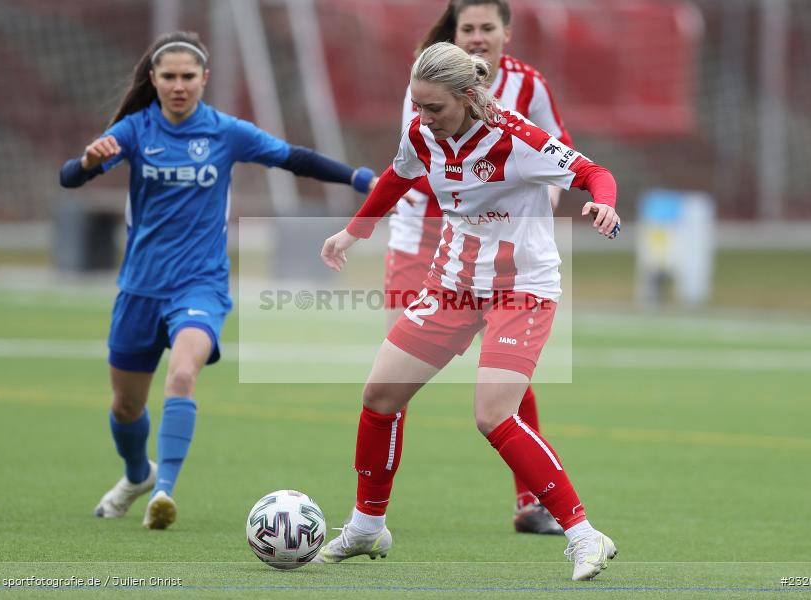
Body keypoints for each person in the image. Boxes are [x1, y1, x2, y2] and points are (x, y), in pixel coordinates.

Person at [317, 43, 619, 581]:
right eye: (417, 104)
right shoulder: (421, 132)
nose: (423, 117)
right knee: (380, 395)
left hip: (521, 288)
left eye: (434, 107)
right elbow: (396, 177)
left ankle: (582, 534)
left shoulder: (515, 137)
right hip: (453, 282)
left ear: (467, 96)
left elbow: (593, 172)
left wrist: (604, 203)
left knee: (492, 415)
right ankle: (367, 525)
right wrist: (352, 232)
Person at [59, 31, 376, 530]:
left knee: (183, 375)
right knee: (125, 406)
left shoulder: (226, 132)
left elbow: (292, 157)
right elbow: (69, 178)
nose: (179, 85)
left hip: (200, 286)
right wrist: (87, 164)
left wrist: (361, 179)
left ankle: (163, 491)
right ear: (154, 80)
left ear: (204, 79)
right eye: (169, 77)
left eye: (189, 76)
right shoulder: (135, 131)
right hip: (138, 290)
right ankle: (138, 474)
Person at [385, 0, 574, 535]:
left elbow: (559, 153)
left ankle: (532, 501)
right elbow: (416, 162)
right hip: (422, 236)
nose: (476, 36)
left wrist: (543, 199)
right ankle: (372, 511)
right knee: (394, 376)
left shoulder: (529, 85)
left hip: (496, 245)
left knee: (504, 369)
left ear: (505, 34)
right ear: (455, 32)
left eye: (486, 27)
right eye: (467, 27)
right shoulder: (428, 82)